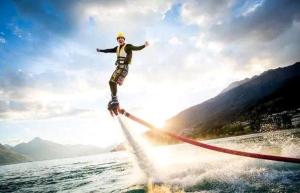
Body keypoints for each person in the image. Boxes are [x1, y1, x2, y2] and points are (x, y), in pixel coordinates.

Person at [96, 32, 149, 115]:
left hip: (124, 68)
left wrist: (144, 45)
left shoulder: (128, 46)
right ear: (117, 40)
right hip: (118, 68)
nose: (120, 39)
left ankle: (115, 98)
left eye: (122, 38)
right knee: (111, 82)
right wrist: (100, 50)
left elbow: (136, 48)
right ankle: (114, 99)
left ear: (124, 39)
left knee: (112, 82)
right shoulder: (117, 48)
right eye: (119, 38)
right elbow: (108, 50)